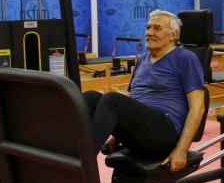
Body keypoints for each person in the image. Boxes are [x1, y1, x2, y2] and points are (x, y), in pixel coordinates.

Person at [83, 10, 205, 172]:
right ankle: (69, 154)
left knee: (111, 99)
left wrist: (181, 150)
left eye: (157, 28)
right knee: (90, 97)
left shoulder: (185, 59)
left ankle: (81, 164)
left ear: (173, 34)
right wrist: (114, 132)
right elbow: (132, 98)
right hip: (143, 131)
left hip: (164, 132)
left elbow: (198, 107)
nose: (149, 33)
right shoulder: (142, 59)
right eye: (148, 28)